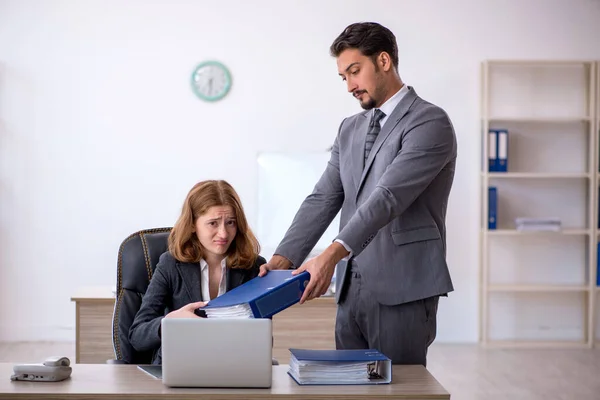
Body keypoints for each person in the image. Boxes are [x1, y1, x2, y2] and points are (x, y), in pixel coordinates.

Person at [259, 22, 456, 366]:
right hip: (351, 287)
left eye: (355, 71)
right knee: (348, 385)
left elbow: (388, 197)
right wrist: (282, 261)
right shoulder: (350, 128)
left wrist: (330, 255)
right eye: (343, 77)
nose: (350, 85)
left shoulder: (429, 122)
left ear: (383, 61)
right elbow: (323, 198)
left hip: (403, 286)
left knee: (399, 390)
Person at [129, 180, 266, 365]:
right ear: (193, 224)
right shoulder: (170, 264)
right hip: (180, 367)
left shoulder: (254, 267)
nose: (224, 234)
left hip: (235, 367)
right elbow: (137, 335)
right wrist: (169, 322)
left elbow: (263, 339)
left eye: (230, 222)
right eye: (213, 223)